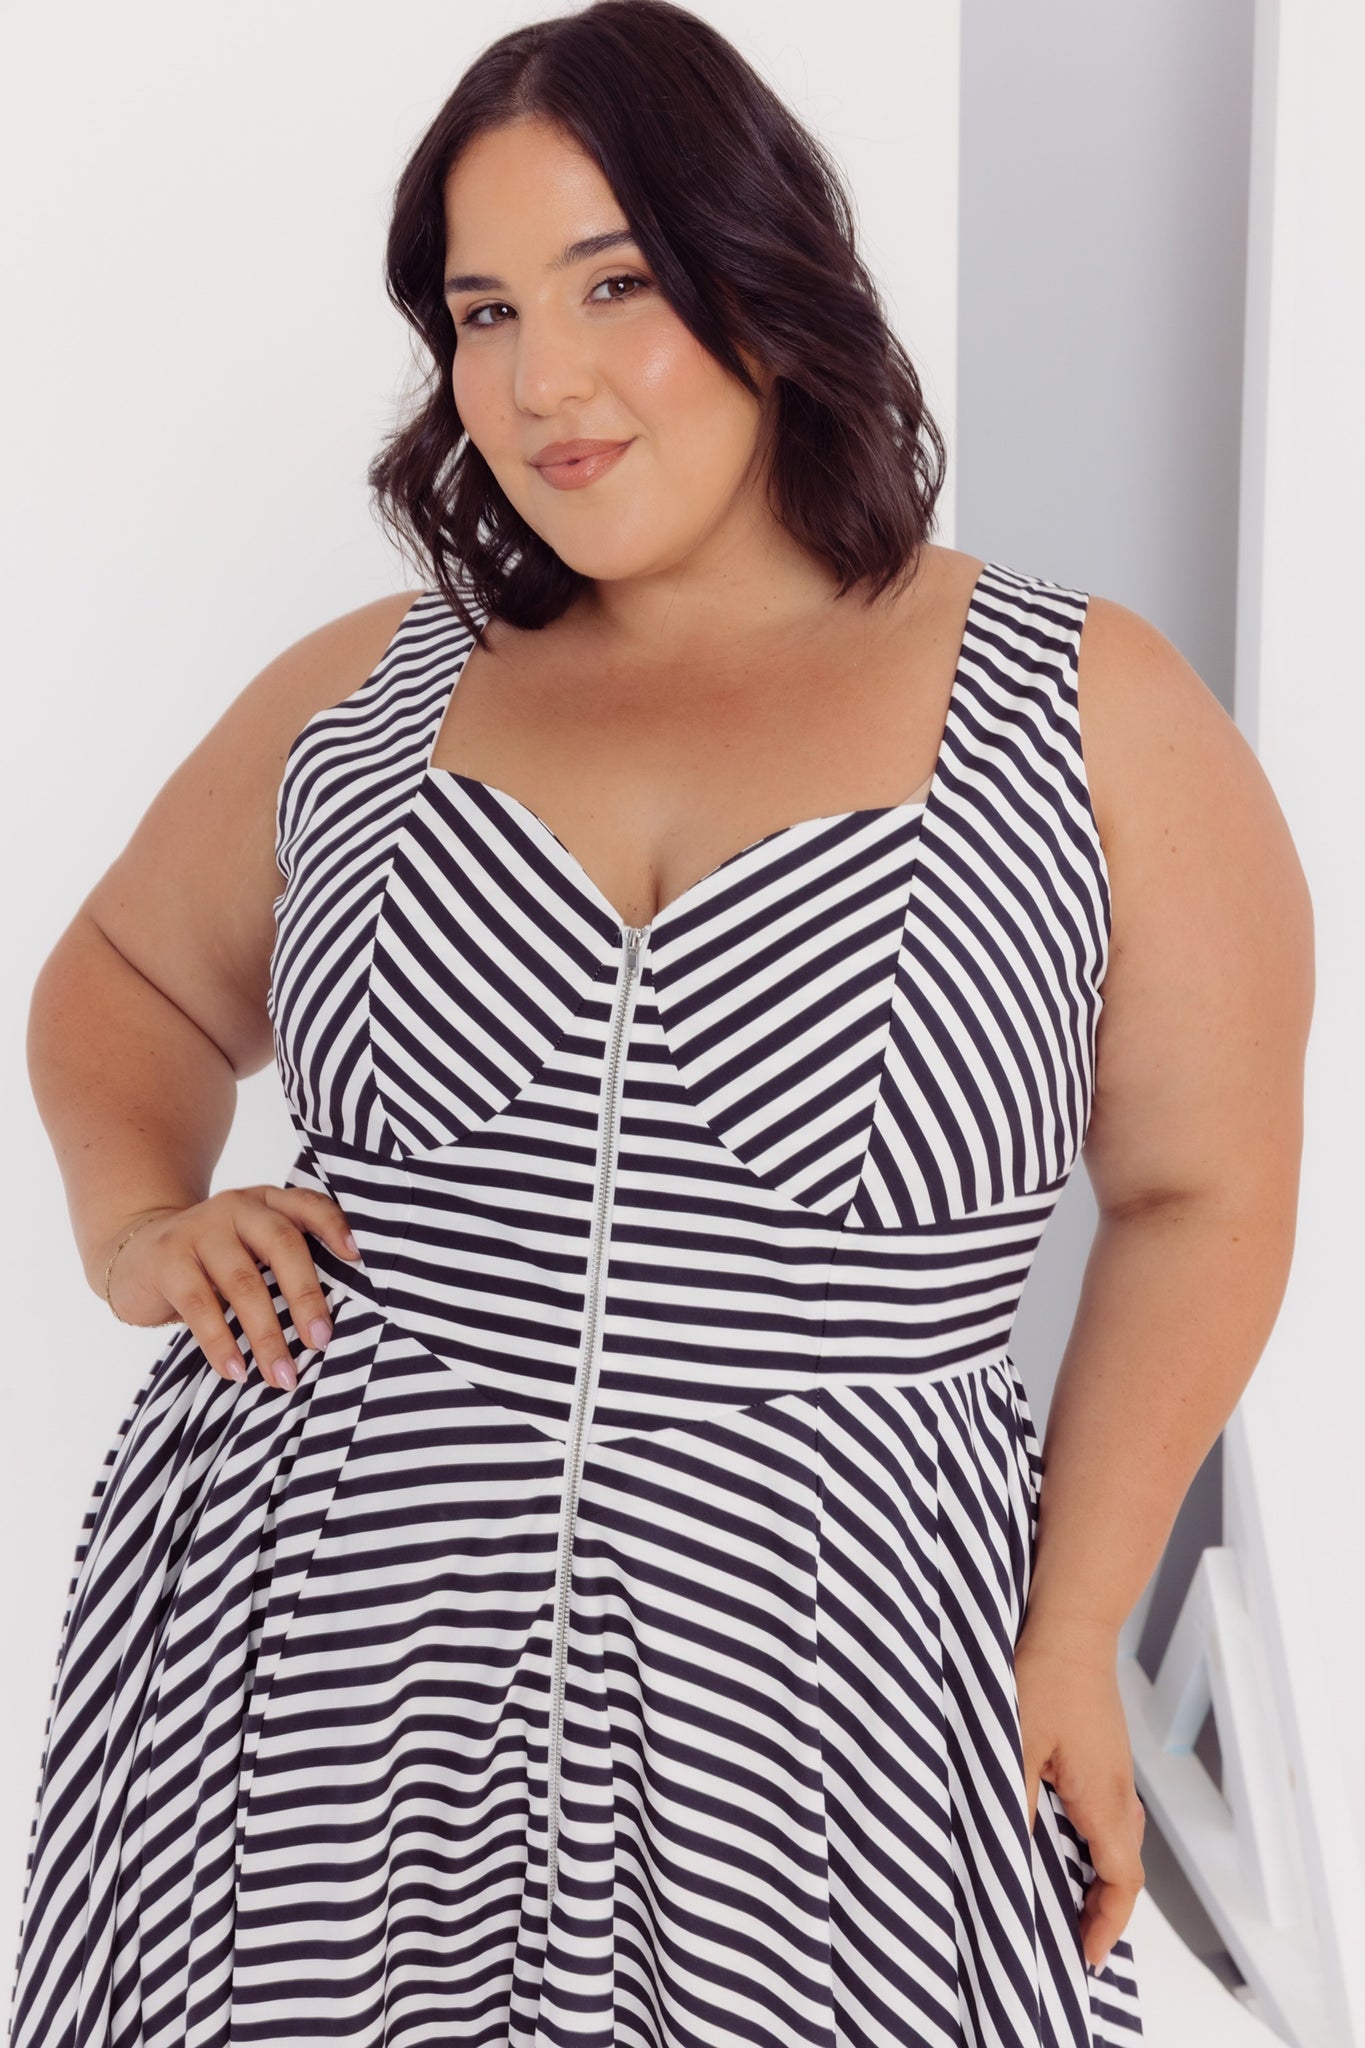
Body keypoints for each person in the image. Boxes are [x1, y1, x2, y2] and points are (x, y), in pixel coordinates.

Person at [9, 1, 1313, 2043]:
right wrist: (131, 1219)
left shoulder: (1088, 704)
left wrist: (1071, 1631)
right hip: (315, 1650)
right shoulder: (370, 687)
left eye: (610, 283)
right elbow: (129, 979)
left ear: (761, 277)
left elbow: (1201, 1191)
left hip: (836, 1678)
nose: (541, 382)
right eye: (481, 308)